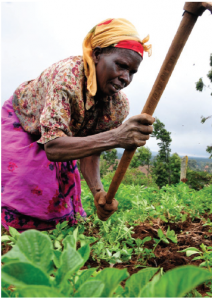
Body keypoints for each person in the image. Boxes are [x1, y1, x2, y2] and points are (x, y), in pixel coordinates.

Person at [1, 18, 154, 231]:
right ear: (97, 54)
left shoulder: (117, 106)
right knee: (29, 188)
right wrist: (117, 137)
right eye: (121, 65)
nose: (125, 78)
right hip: (25, 122)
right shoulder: (66, 79)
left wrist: (99, 192)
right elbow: (53, 148)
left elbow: (91, 149)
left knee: (60, 205)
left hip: (63, 136)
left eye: (132, 72)